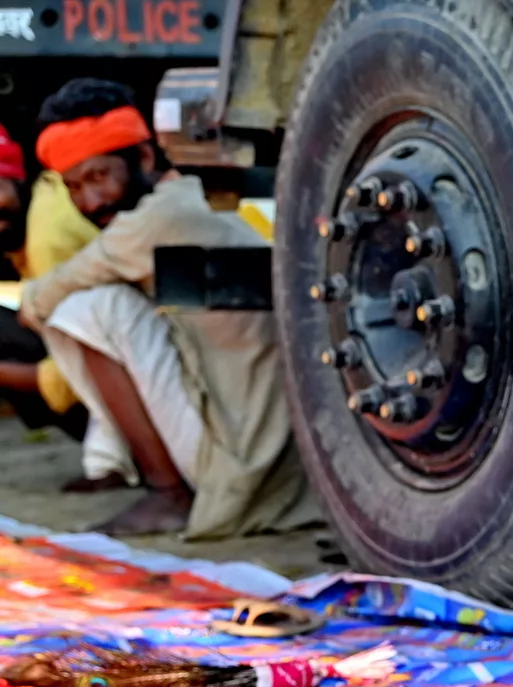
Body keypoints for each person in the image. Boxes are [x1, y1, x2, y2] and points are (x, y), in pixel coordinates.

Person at [17, 79, 313, 537]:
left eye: (99, 176)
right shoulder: (193, 194)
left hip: (242, 461)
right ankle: (118, 466)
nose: (90, 201)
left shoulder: (159, 218)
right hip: (275, 449)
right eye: (75, 186)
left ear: (146, 158)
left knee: (85, 310)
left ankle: (167, 493)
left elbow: (38, 302)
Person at [0, 122, 97, 440]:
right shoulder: (45, 196)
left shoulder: (49, 239)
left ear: (16, 177)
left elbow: (93, 363)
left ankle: (133, 457)